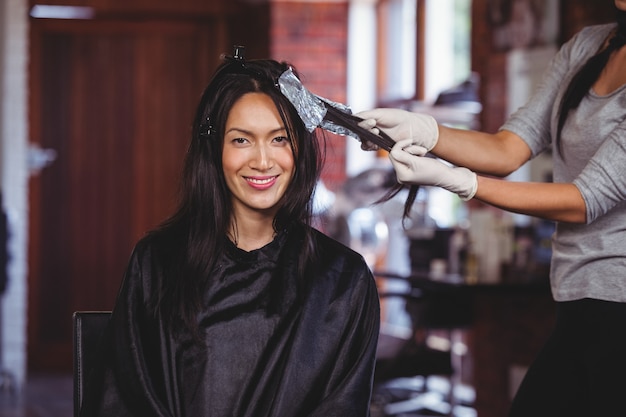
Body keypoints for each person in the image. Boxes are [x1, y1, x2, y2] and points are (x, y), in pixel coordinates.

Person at [357, 2, 626, 416]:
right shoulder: (589, 47)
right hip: (576, 297)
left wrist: (463, 183)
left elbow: (584, 200)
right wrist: (423, 129)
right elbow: (507, 148)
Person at [79, 48, 381, 417]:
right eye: (241, 140)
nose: (262, 160)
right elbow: (124, 401)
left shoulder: (343, 281)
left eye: (279, 139)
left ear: (299, 148)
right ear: (215, 149)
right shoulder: (157, 263)